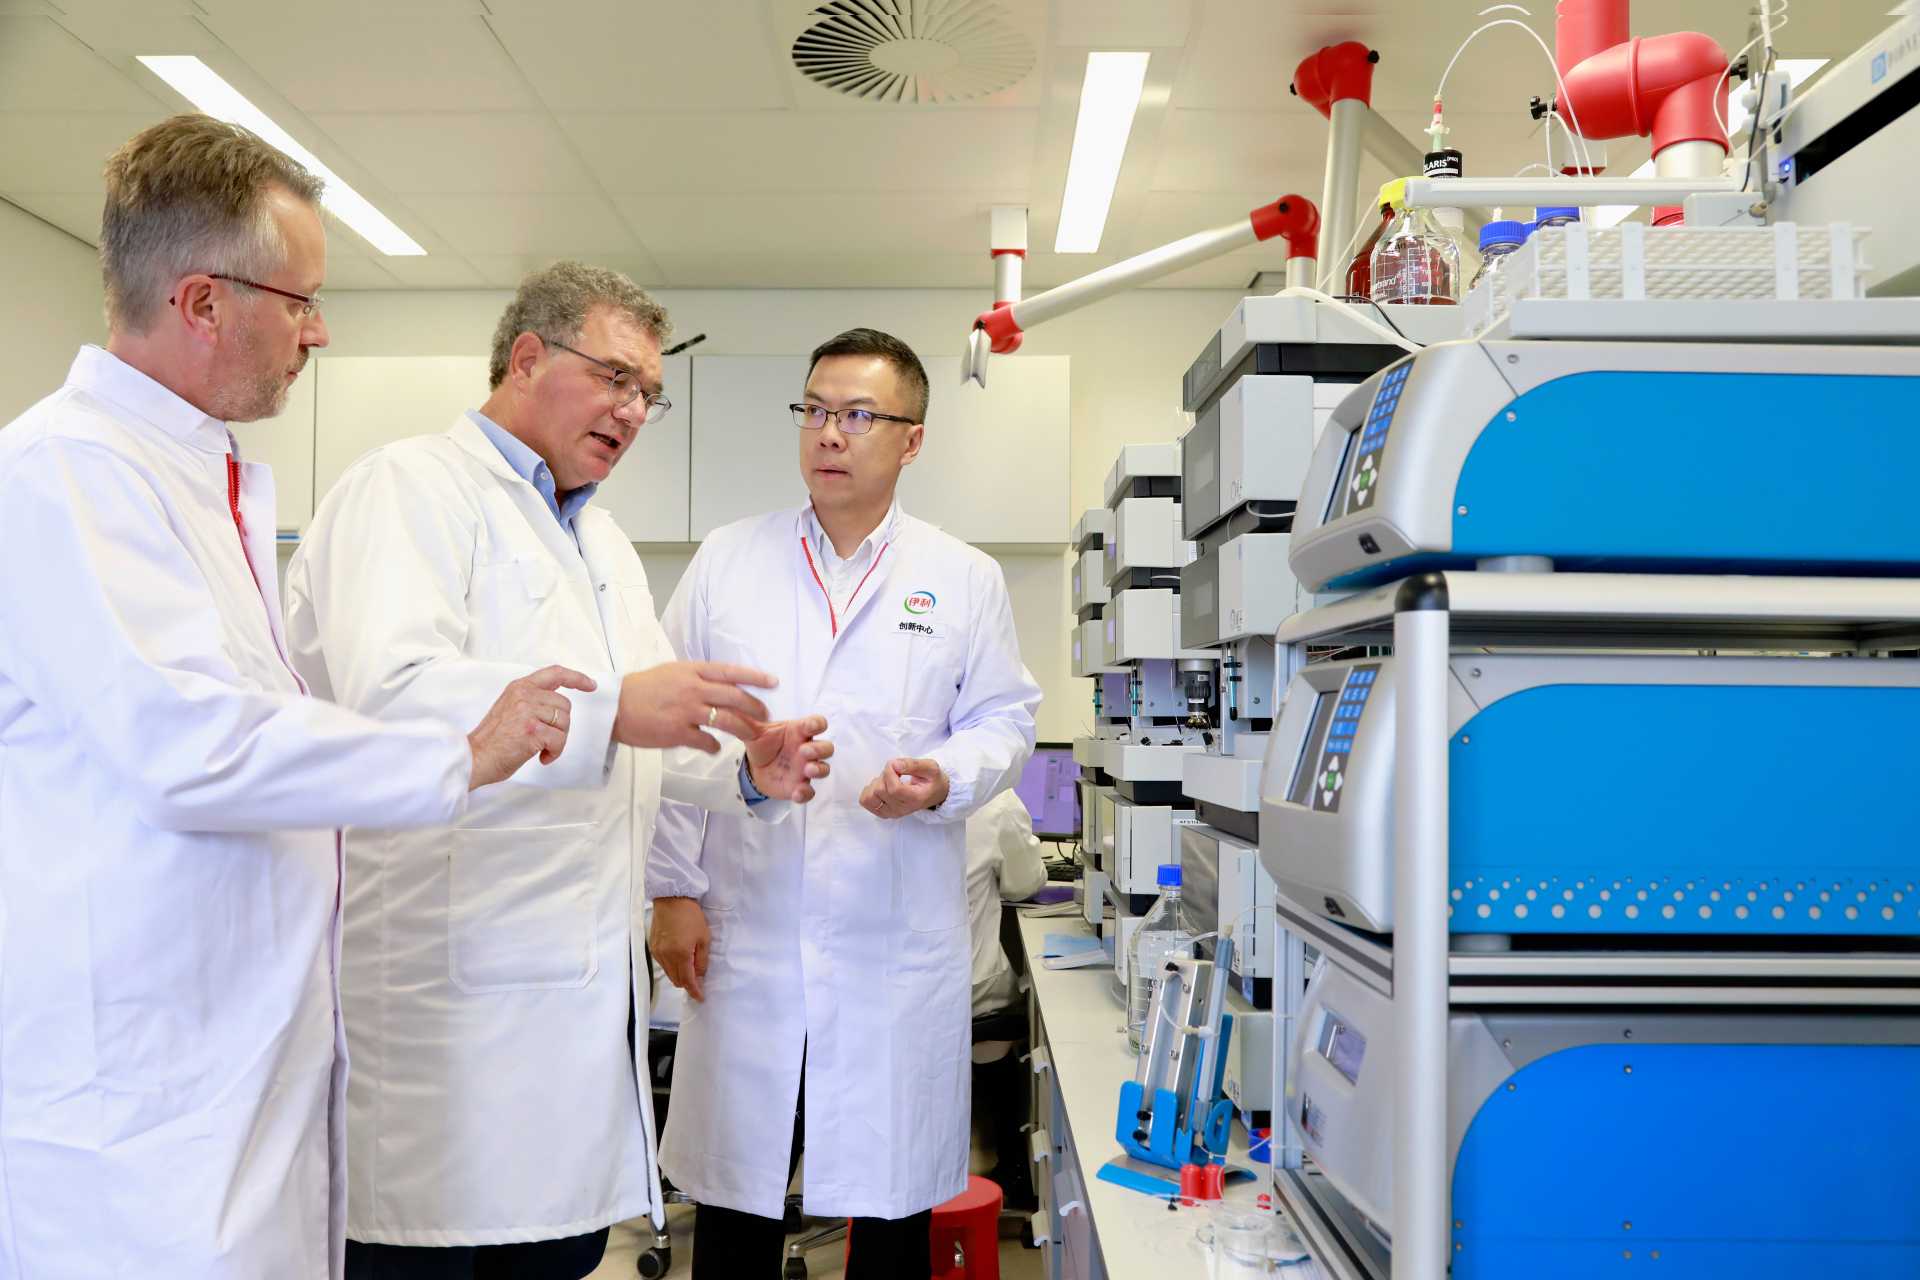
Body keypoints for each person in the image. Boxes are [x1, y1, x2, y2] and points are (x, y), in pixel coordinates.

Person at [0, 115, 587, 1280]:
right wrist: (457, 753)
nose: (318, 330)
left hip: (232, 1079)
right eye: (301, 300)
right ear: (202, 302)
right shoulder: (62, 474)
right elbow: (195, 745)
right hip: (139, 1116)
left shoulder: (187, 474)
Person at [283, 263, 833, 1280]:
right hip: (442, 1021)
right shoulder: (407, 489)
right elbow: (392, 699)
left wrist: (748, 771)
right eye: (615, 377)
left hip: (566, 1031)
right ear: (527, 357)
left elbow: (642, 735)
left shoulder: (601, 540)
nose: (633, 411)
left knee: (555, 1250)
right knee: (424, 1256)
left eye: (648, 394)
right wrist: (617, 708)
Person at [648, 328, 1043, 1279]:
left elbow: (1005, 718)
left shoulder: (962, 577)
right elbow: (670, 726)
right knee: (736, 1209)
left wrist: (942, 777)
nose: (829, 432)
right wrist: (671, 889)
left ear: (912, 440)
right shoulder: (728, 560)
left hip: (887, 941)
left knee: (891, 1208)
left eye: (859, 415)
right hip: (751, 937)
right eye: (816, 410)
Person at [966, 788, 1047, 1017]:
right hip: (973, 994)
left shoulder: (875, 799)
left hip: (887, 996)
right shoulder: (995, 798)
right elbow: (1025, 885)